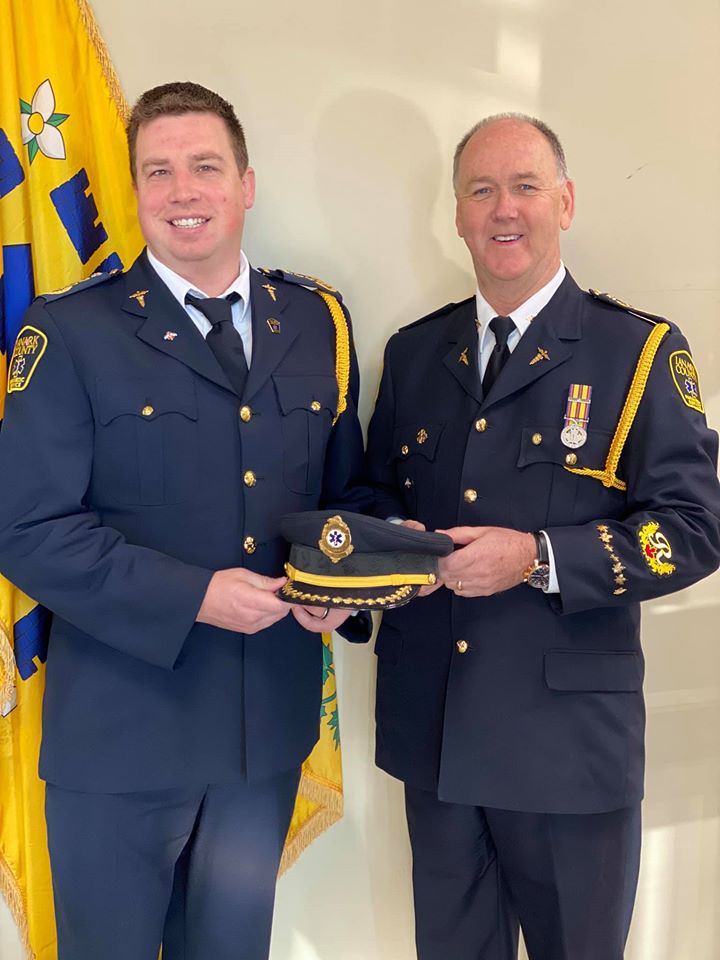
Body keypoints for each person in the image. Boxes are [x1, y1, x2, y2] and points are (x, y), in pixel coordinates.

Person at [0, 81, 369, 960]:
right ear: (135, 193)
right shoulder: (69, 334)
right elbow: (27, 528)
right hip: (121, 741)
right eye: (157, 172)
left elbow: (349, 499)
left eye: (205, 167)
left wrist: (341, 590)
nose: (181, 191)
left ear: (246, 184)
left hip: (264, 733)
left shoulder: (315, 320)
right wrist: (195, 595)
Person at [365, 113, 720, 960]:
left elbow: (695, 529)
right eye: (481, 190)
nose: (503, 209)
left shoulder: (635, 352)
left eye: (525, 186)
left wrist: (540, 557)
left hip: (568, 757)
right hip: (438, 742)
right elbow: (374, 495)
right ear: (455, 213)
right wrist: (389, 548)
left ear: (565, 201)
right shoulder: (415, 356)